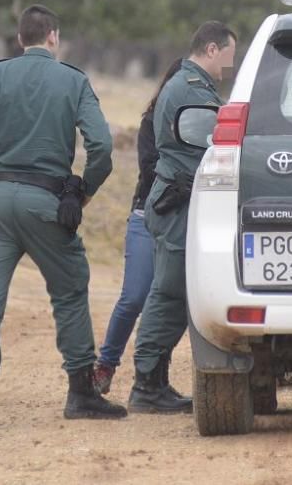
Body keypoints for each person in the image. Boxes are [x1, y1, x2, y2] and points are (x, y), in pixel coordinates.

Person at [0, 4, 126, 428]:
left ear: (21, 39)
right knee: (70, 293)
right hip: (47, 204)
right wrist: (83, 191)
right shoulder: (73, 81)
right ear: (54, 37)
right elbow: (102, 148)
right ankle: (81, 394)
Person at [128, 21, 236, 414]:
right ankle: (147, 385)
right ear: (211, 49)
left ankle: (153, 382)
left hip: (180, 201)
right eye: (228, 55)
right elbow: (211, 143)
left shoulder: (193, 86)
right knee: (169, 294)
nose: (229, 64)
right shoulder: (190, 90)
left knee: (172, 293)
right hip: (177, 204)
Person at [92, 59, 183, 395]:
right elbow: (149, 169)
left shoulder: (203, 123)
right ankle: (105, 365)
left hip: (185, 221)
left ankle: (154, 376)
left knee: (173, 302)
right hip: (146, 216)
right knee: (133, 298)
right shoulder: (151, 123)